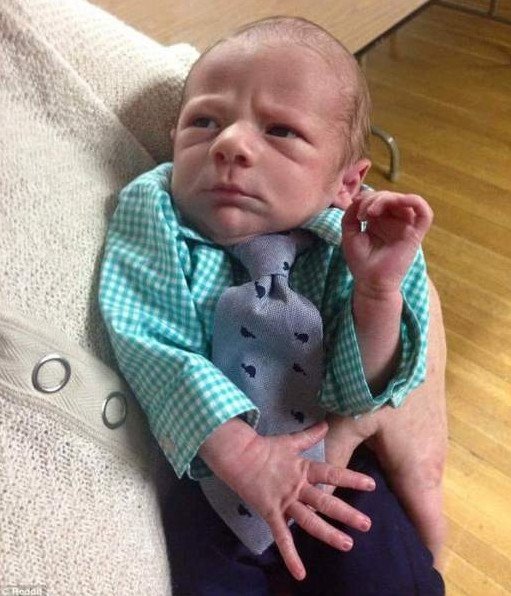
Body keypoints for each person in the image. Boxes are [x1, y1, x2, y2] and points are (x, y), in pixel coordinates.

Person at [99, 16, 445, 595]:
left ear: (346, 183)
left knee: (391, 577)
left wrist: (377, 295)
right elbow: (147, 336)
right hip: (211, 478)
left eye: (280, 131)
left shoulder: (359, 240)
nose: (230, 144)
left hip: (334, 464)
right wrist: (244, 456)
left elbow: (362, 390)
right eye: (204, 122)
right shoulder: (156, 211)